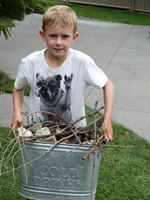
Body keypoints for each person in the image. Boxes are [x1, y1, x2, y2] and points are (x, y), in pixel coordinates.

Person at [11, 5, 114, 141]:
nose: (58, 42)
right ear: (43, 35)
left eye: (65, 36)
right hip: (39, 134)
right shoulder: (30, 62)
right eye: (53, 36)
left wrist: (107, 119)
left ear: (74, 37)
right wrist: (17, 113)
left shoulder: (82, 62)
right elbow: (18, 88)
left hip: (74, 135)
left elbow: (108, 86)